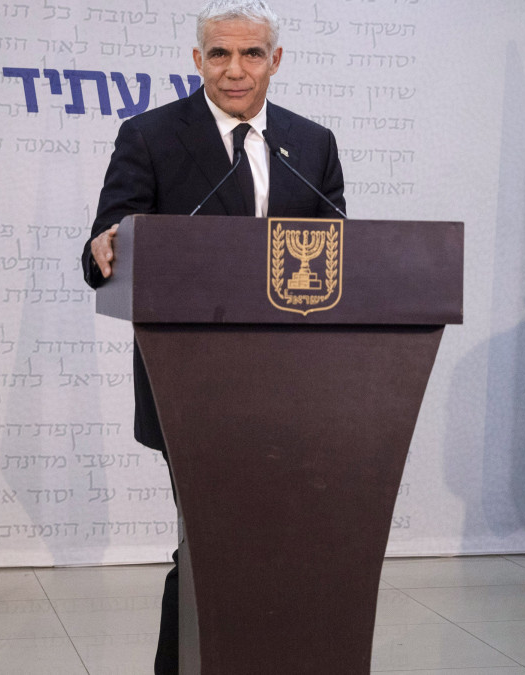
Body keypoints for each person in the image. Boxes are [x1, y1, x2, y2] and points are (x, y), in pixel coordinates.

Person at [80, 1, 347, 671]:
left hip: (293, 385)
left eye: (251, 53)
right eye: (219, 54)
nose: (235, 69)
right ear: (197, 60)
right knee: (208, 544)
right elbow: (107, 247)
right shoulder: (149, 136)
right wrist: (103, 246)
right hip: (189, 384)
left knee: (279, 544)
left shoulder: (312, 144)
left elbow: (345, 259)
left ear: (275, 61)